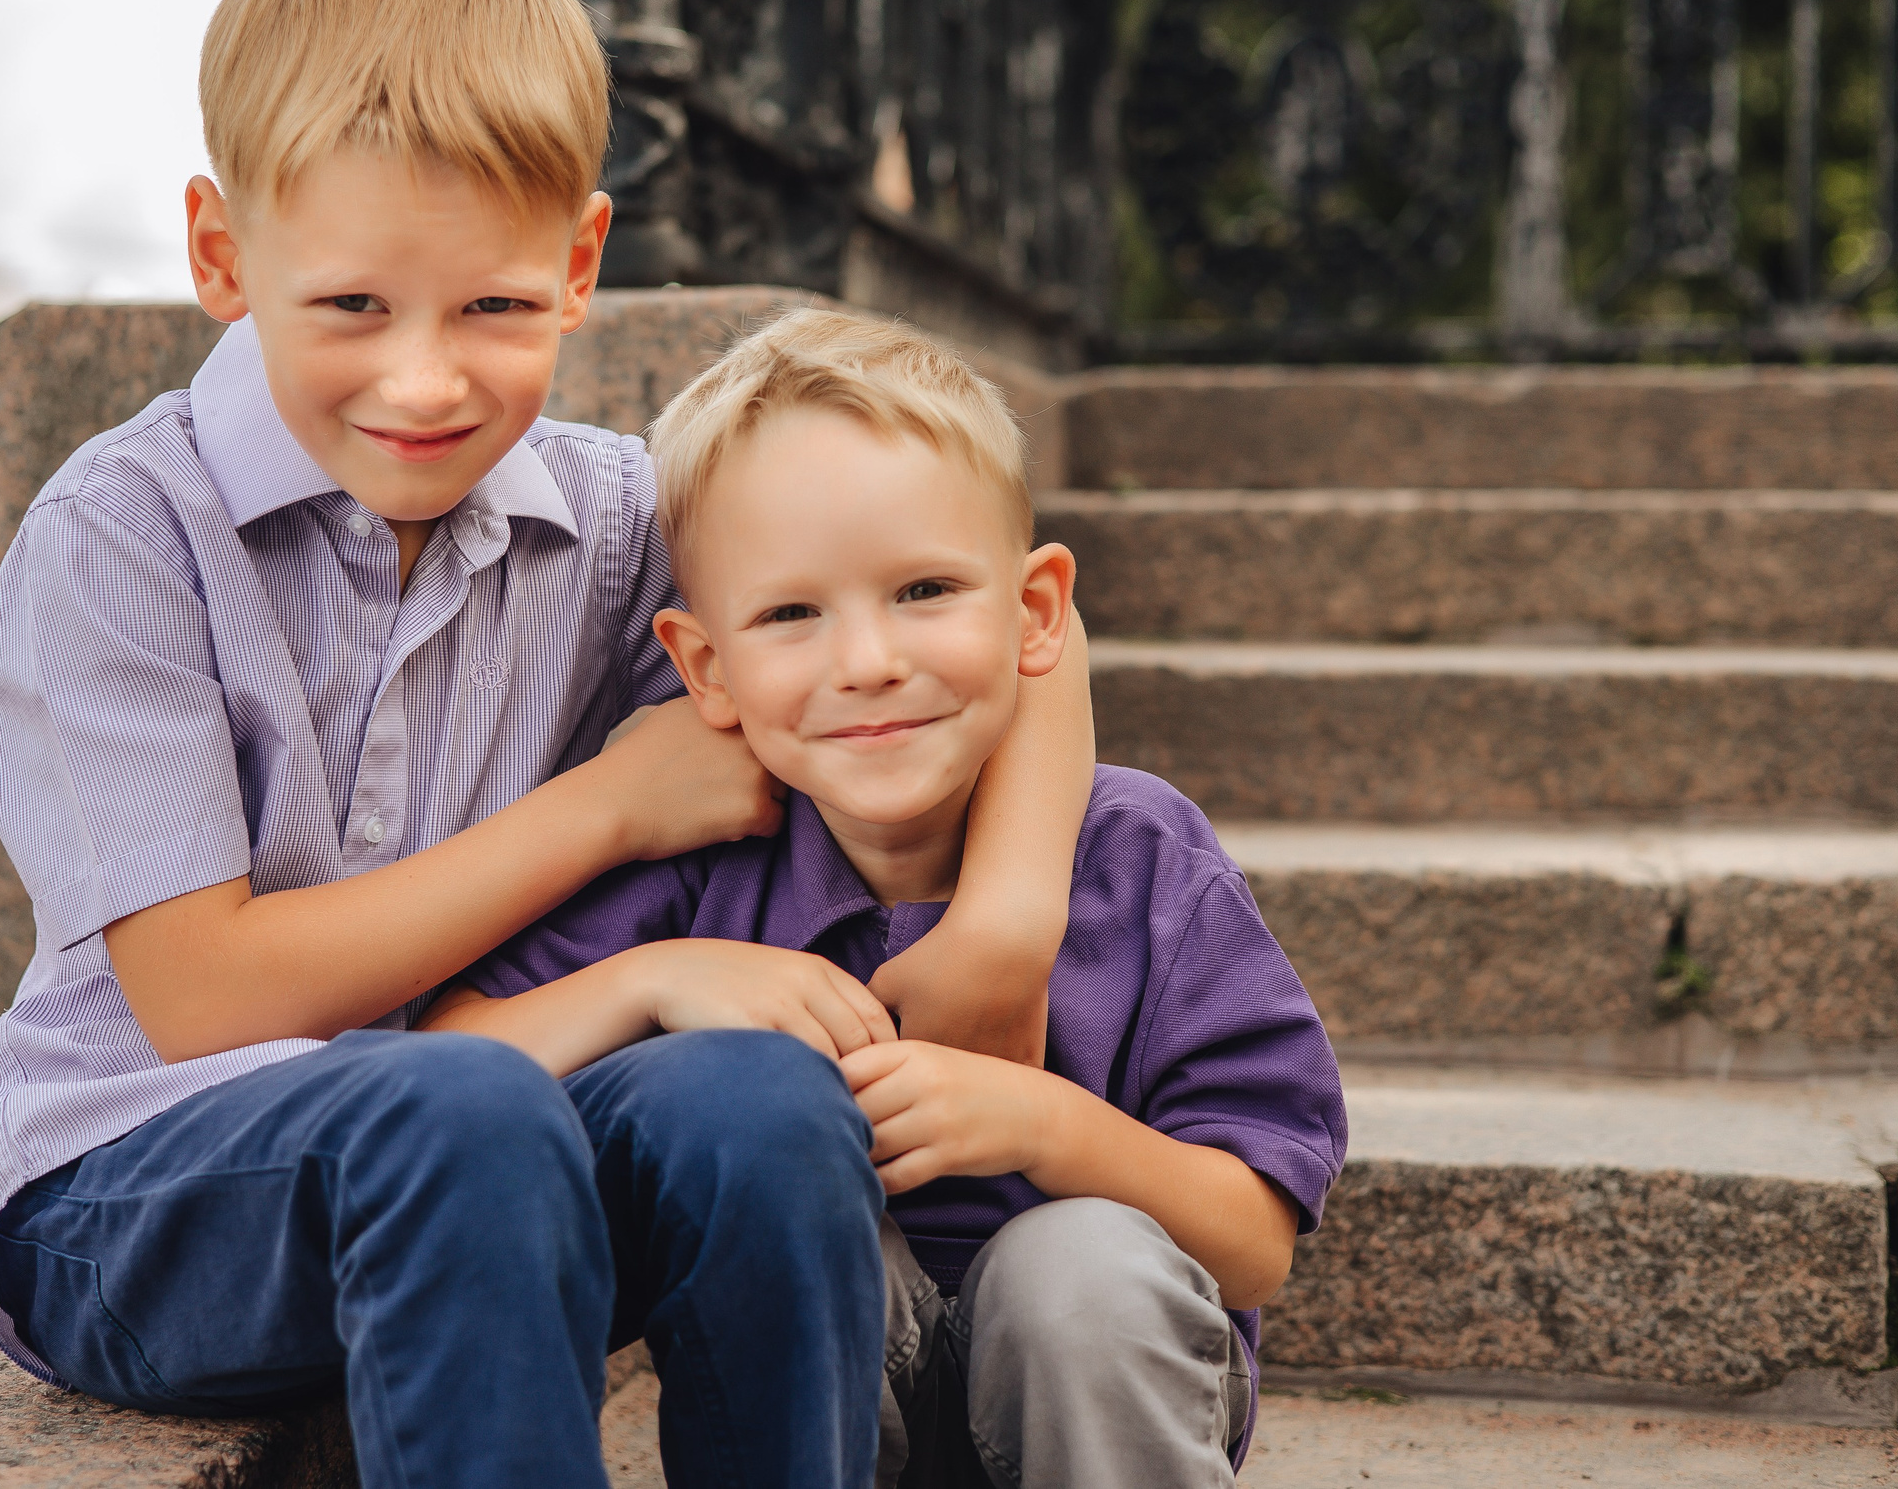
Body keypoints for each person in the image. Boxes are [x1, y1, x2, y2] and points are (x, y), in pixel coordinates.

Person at [0, 0, 1093, 1489]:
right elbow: (207, 996)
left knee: (757, 1096)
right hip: (132, 1194)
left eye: (490, 308)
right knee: (463, 1106)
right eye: (351, 307)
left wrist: (1012, 921)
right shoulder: (122, 534)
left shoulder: (617, 522)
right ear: (222, 254)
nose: (424, 381)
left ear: (579, 263)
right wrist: (612, 822)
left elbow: (990, 599)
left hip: (505, 1146)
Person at [426, 308, 1348, 1488]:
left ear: (1033, 612)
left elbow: (1254, 1245)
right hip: (823, 1399)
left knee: (1073, 1267)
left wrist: (1041, 1124)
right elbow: (458, 1048)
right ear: (705, 667)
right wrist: (648, 981)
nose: (866, 660)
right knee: (803, 1228)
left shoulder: (1141, 856)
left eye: (922, 589)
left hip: (1099, 1382)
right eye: (790, 614)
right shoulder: (701, 870)